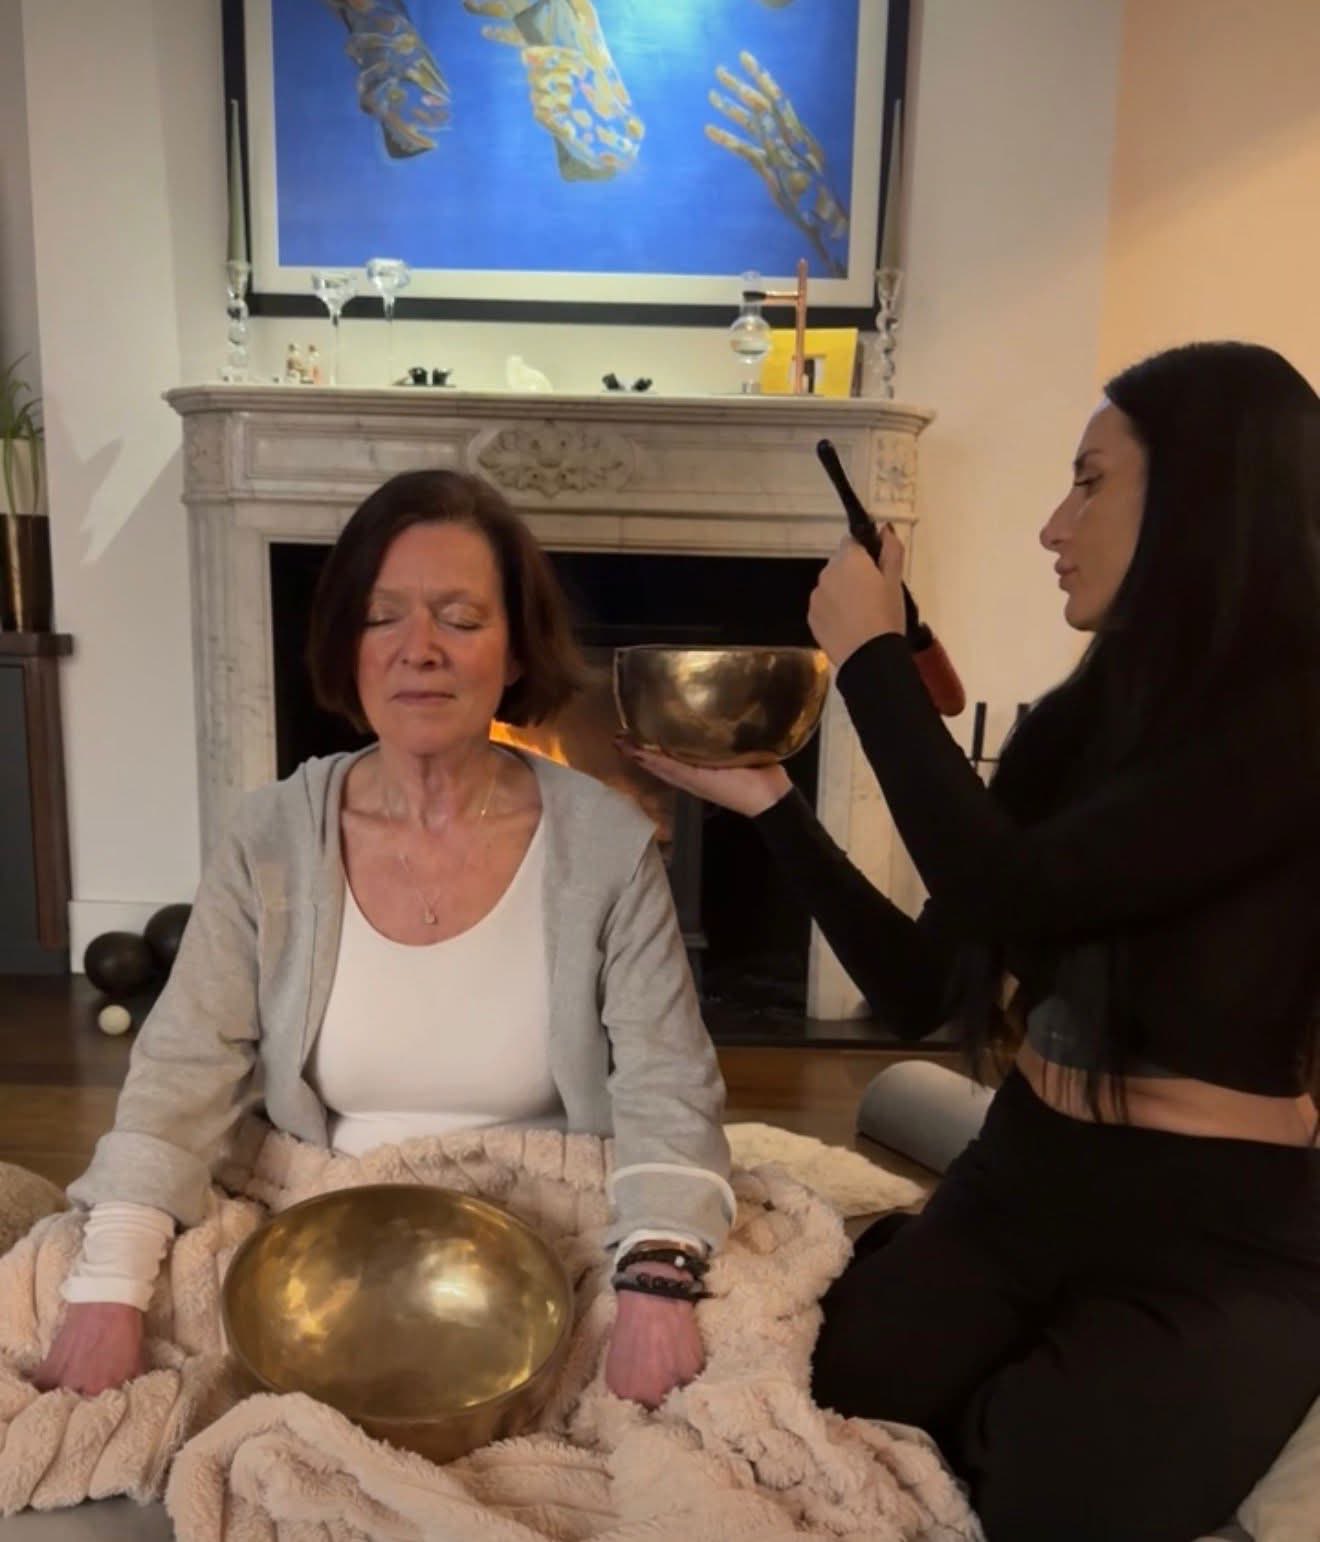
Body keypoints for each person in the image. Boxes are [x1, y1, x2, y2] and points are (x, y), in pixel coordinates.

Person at [627, 342, 1320, 1542]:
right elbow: (918, 986)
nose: (1054, 526)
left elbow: (1017, 888)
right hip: (1026, 1171)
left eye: (1089, 483)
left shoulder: (1298, 721)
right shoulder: (1076, 726)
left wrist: (871, 660)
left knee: (1056, 1494)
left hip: (1220, 1230)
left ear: (1207, 493)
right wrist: (774, 806)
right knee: (840, 1393)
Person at [35, 469, 733, 1413]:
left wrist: (656, 1282)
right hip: (321, 1217)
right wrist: (110, 1285)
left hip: (549, 1214)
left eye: (461, 618)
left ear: (515, 650)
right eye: (382, 617)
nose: (421, 650)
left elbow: (666, 1078)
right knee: (52, 1303)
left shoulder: (604, 842)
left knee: (730, 1363)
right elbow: (183, 1066)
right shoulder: (271, 836)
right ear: (347, 645)